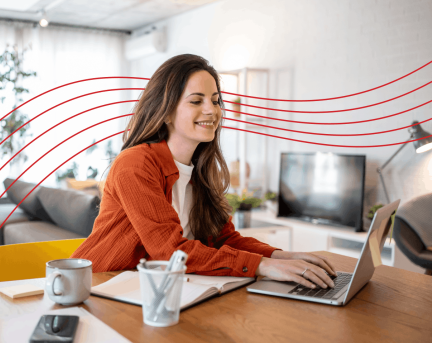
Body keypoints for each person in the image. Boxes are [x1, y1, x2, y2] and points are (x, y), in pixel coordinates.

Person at [71, 54, 337, 290]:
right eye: (196, 101)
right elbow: (170, 251)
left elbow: (224, 239)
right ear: (166, 112)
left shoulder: (198, 169)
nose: (212, 110)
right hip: (101, 287)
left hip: (154, 289)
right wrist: (262, 266)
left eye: (215, 100)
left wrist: (280, 256)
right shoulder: (135, 165)